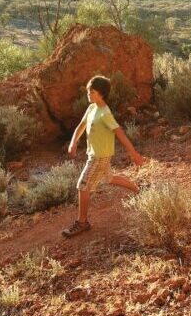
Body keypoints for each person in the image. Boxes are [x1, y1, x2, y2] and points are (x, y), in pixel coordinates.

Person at [62, 75, 147, 238]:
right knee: (109, 178)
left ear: (101, 94)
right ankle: (139, 189)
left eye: (91, 91)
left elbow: (120, 134)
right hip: (94, 154)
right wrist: (73, 143)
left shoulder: (104, 113)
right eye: (88, 90)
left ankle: (82, 222)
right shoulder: (92, 108)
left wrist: (134, 154)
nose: (88, 94)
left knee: (83, 185)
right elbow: (81, 126)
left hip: (99, 157)